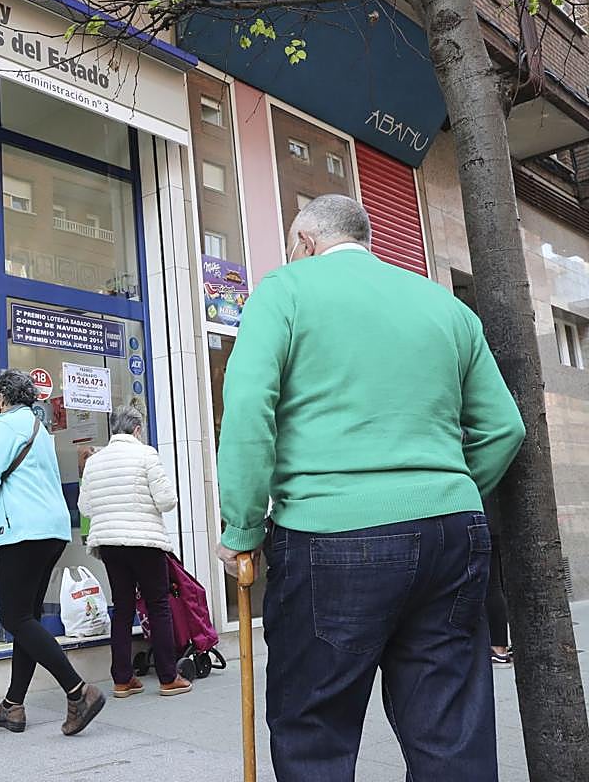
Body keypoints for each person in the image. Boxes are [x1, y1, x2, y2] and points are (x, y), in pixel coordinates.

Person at [215, 195, 526, 780]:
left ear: (306, 241)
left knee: (315, 731)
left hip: (330, 533)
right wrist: (446, 490)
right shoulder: (446, 307)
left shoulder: (285, 290)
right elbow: (505, 427)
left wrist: (243, 528)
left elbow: (249, 407)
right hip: (452, 535)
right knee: (450, 730)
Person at [0, 369, 105, 736]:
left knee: (14, 618)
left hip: (21, 532)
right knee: (27, 618)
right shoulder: (41, 430)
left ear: (1, 399)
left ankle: (78, 691)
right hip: (53, 530)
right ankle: (13, 705)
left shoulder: (3, 427)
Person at [78, 404, 193, 698]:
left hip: (109, 545)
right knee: (158, 605)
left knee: (122, 608)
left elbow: (85, 508)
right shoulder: (146, 455)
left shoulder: (95, 462)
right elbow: (167, 500)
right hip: (144, 543)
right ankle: (169, 677)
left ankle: (122, 679)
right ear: (137, 429)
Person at [484, 491, 513, 666]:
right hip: (500, 523)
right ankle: (502, 646)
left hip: (488, 521)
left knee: (492, 586)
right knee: (501, 584)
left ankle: (498, 646)